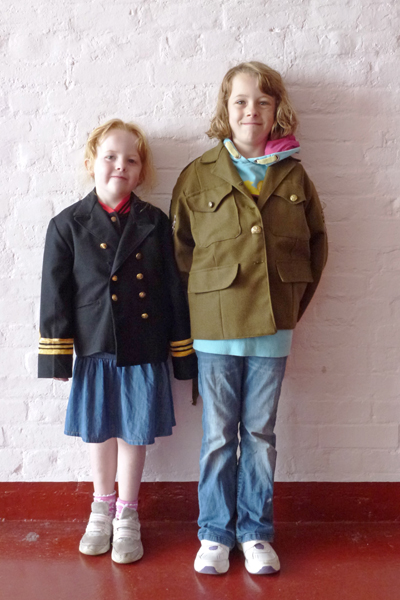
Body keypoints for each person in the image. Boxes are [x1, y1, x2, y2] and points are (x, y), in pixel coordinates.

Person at [170, 62, 328, 575]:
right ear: (226, 108)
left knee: (260, 434)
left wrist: (289, 308)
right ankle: (215, 534)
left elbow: (316, 247)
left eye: (262, 101)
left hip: (272, 331)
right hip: (216, 331)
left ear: (277, 109)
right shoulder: (198, 174)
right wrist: (203, 307)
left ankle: (255, 532)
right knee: (218, 435)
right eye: (240, 101)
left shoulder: (294, 175)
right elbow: (181, 251)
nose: (251, 110)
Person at [38, 118, 197, 564]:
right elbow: (55, 296)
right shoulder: (67, 224)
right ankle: (100, 508)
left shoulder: (155, 222)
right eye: (110, 156)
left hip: (143, 348)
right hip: (95, 351)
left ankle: (128, 513)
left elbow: (173, 291)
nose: (120, 165)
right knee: (99, 431)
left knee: (134, 432)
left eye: (131, 159)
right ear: (92, 161)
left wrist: (182, 354)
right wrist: (56, 357)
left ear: (142, 171)